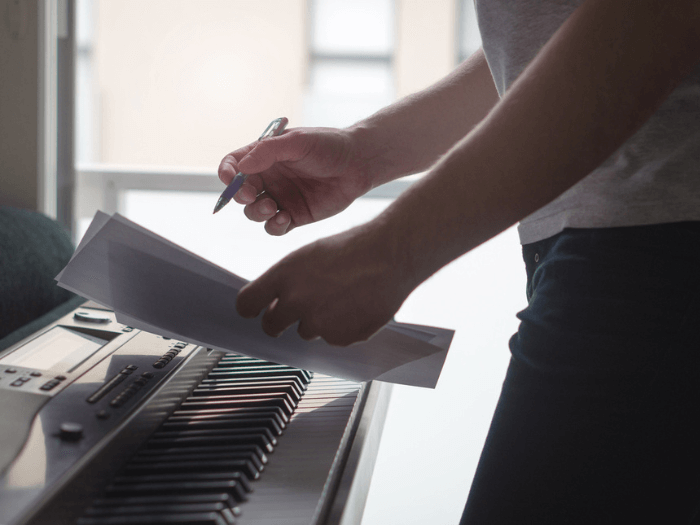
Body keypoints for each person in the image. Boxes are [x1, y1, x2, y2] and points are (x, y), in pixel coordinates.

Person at [218, 0, 700, 522]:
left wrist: (391, 249)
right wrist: (365, 152)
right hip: (624, 247)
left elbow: (651, 16)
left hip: (660, 255)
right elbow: (543, 40)